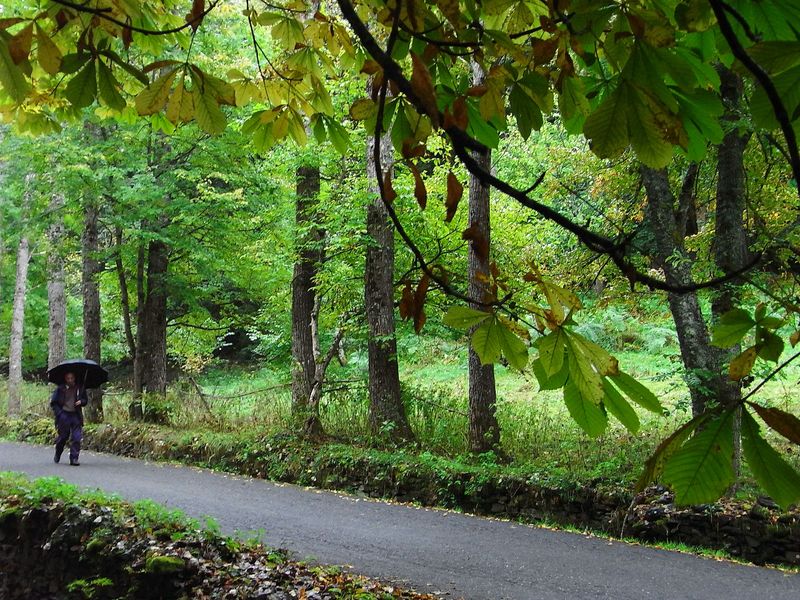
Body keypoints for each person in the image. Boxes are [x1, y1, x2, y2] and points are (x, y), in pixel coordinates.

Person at [50, 371, 88, 466]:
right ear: (65, 379)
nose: (70, 380)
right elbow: (54, 403)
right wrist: (59, 414)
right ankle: (58, 452)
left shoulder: (80, 388)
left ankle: (74, 458)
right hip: (64, 415)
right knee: (63, 437)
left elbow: (85, 400)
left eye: (72, 378)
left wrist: (81, 402)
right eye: (68, 378)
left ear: (74, 378)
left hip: (76, 415)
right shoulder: (60, 389)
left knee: (76, 437)